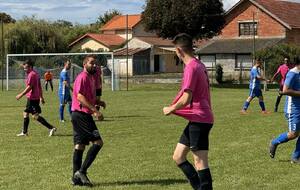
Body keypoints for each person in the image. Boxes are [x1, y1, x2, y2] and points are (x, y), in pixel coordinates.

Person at [163, 33, 214, 190]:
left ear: (179, 50)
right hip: (199, 119)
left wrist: (170, 109)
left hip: (200, 119)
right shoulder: (199, 64)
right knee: (178, 156)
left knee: (200, 161)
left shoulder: (191, 67)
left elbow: (186, 98)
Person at [71, 55, 104, 186]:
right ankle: (82, 171)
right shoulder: (82, 77)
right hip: (81, 115)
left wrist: (98, 101)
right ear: (84, 64)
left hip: (79, 115)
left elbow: (88, 97)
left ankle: (75, 179)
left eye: (95, 63)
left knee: (80, 145)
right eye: (91, 63)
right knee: (98, 142)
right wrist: (95, 111)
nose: (94, 65)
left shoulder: (91, 78)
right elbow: (79, 96)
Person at [269, 56, 300, 164]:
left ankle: (295, 157)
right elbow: (285, 90)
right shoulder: (292, 73)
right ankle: (274, 142)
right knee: (293, 134)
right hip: (293, 108)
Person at [16, 59, 57, 137]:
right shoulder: (35, 74)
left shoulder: (31, 75)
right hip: (34, 97)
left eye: (26, 67)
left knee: (35, 116)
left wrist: (20, 95)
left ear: (31, 67)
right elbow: (39, 86)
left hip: (32, 98)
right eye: (24, 68)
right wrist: (41, 97)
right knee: (26, 113)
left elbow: (29, 87)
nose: (25, 69)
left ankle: (51, 128)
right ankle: (24, 132)